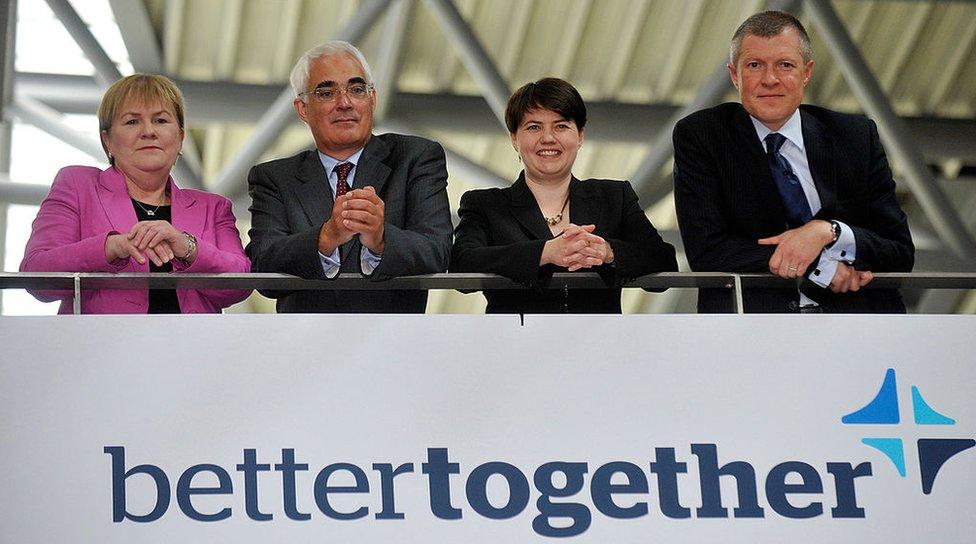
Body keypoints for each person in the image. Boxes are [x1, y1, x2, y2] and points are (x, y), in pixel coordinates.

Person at [672, 10, 914, 313]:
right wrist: (821, 267)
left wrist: (829, 232)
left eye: (785, 65)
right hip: (752, 330)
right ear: (735, 75)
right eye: (754, 65)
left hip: (859, 326)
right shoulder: (702, 136)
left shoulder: (855, 136)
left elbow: (899, 251)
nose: (770, 79)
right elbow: (707, 251)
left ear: (807, 72)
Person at [246, 41, 453, 313]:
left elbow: (437, 252)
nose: (344, 103)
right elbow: (263, 265)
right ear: (303, 109)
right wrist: (326, 237)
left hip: (395, 342)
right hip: (305, 345)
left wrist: (380, 239)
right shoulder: (274, 178)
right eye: (326, 92)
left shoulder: (415, 157)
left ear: (372, 99)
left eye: (356, 89)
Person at [20, 74, 251, 314]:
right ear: (107, 140)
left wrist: (187, 247)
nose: (148, 131)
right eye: (132, 122)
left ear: (180, 138)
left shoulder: (213, 207)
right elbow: (37, 274)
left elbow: (241, 284)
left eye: (161, 120)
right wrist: (110, 248)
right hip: (102, 348)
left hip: (194, 348)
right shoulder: (77, 185)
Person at [451, 78, 677, 314]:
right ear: (514, 139)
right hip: (515, 344)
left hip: (599, 344)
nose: (548, 138)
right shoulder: (486, 205)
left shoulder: (613, 196)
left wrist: (607, 252)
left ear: (580, 135)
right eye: (533, 127)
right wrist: (545, 253)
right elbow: (461, 264)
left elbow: (664, 262)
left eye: (561, 126)